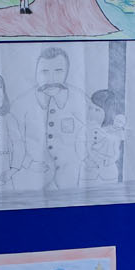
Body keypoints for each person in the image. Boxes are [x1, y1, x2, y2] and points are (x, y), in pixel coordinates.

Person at [13, 47, 87, 191]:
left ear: (67, 72)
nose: (51, 79)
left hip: (70, 182)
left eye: (58, 71)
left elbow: (96, 127)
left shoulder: (80, 99)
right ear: (35, 72)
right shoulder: (20, 104)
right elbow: (12, 141)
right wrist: (28, 163)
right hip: (31, 181)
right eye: (44, 72)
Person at [84, 90, 125, 183]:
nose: (92, 112)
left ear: (107, 111)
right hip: (89, 174)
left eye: (97, 110)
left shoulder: (115, 130)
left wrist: (106, 161)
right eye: (90, 108)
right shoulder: (87, 128)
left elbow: (116, 153)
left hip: (108, 174)